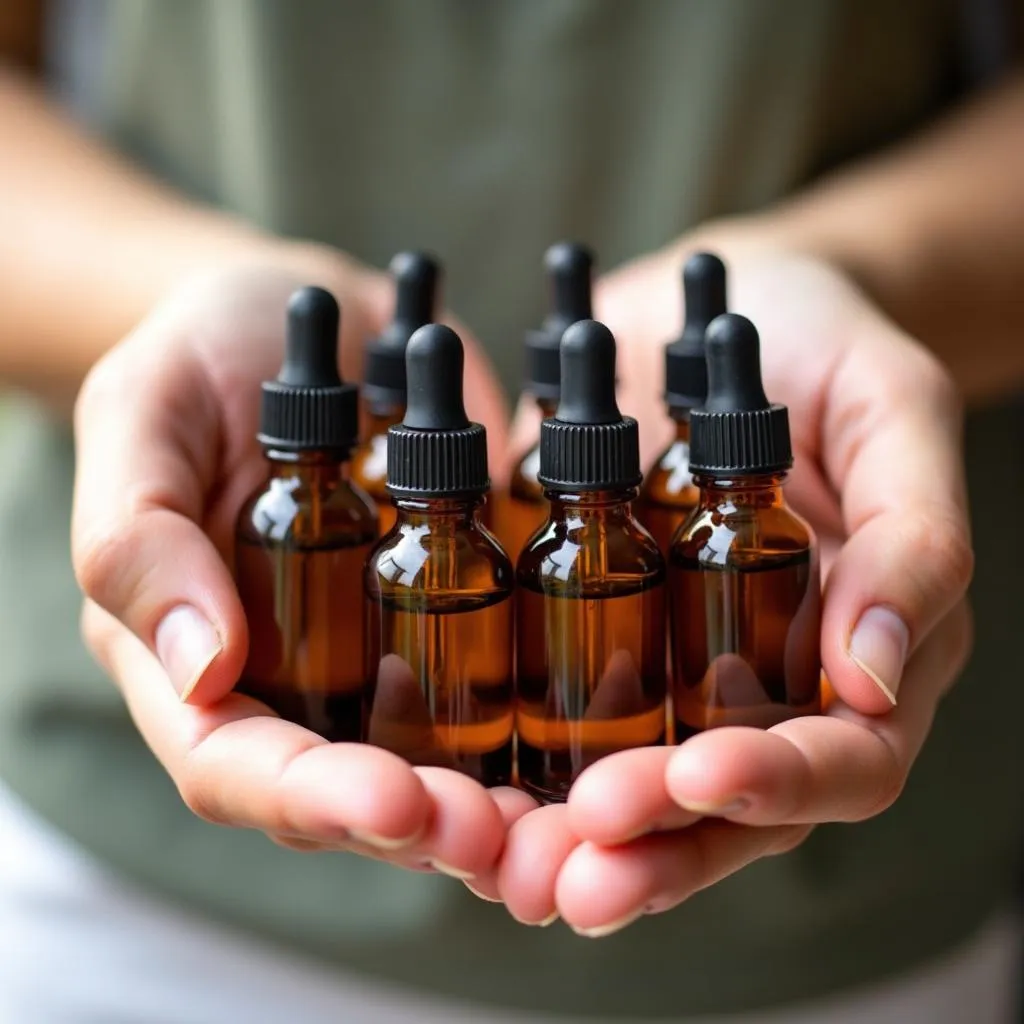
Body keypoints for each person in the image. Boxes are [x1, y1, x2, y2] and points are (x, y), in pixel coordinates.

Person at [0, 1, 1021, 1021]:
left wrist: (863, 274)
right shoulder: (408, 553)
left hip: (837, 947)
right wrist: (168, 300)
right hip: (122, 911)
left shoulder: (641, 546)